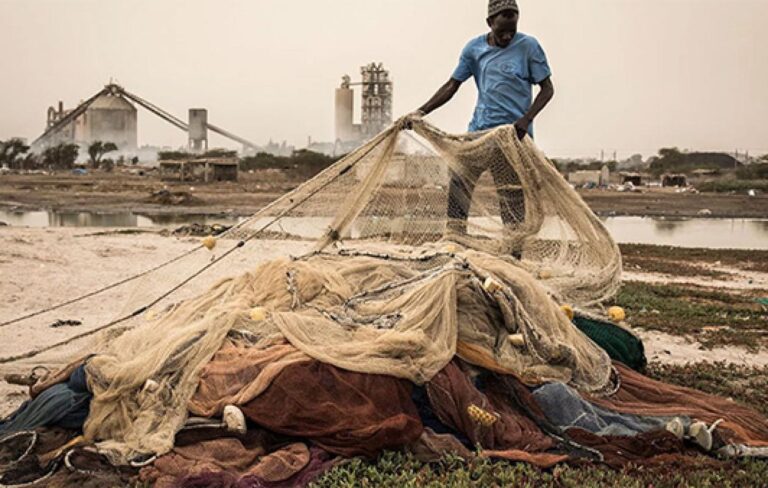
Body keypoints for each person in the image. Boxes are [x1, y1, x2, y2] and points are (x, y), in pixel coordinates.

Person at [410, 0, 555, 232]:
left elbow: (547, 89)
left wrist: (525, 120)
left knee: (510, 194)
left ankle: (513, 250)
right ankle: (455, 238)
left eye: (512, 29)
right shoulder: (474, 49)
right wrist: (421, 111)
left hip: (512, 137)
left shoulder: (529, 47)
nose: (508, 36)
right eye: (502, 30)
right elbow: (451, 85)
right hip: (479, 132)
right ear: (490, 23)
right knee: (459, 182)